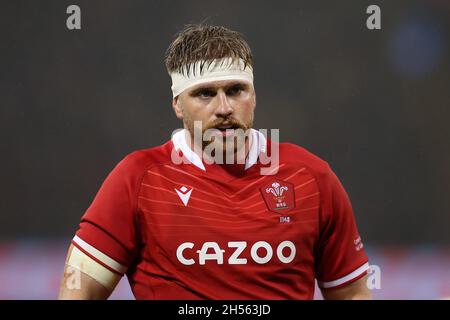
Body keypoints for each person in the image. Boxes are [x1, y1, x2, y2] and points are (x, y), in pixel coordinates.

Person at [58, 24, 371, 300]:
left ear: (255, 96)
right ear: (177, 105)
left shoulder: (311, 177)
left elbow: (353, 293)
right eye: (205, 94)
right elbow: (78, 290)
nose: (224, 108)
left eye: (236, 90)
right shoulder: (138, 179)